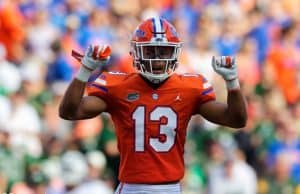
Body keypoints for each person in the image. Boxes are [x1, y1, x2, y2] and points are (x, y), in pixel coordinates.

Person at [59, 17, 247, 194]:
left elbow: (236, 120)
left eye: (163, 51)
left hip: (170, 188)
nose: (157, 59)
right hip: (132, 187)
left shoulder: (190, 87)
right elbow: (69, 112)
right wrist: (84, 71)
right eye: (151, 51)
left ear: (175, 52)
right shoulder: (118, 86)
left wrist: (232, 82)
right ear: (136, 52)